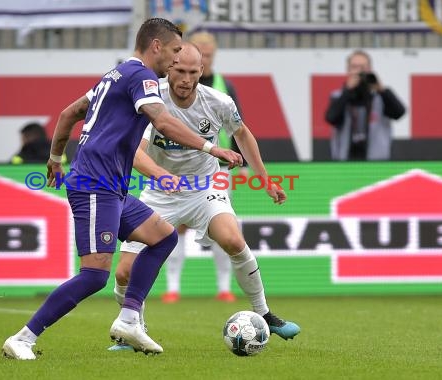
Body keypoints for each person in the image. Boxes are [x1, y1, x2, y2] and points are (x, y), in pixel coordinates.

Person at [1, 18, 243, 360]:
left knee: (164, 237)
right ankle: (23, 337)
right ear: (156, 46)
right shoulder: (141, 76)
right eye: (174, 51)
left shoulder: (113, 76)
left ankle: (130, 319)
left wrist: (56, 158)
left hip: (111, 186)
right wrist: (211, 148)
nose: (177, 60)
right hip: (95, 185)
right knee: (95, 275)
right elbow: (162, 121)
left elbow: (70, 112)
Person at [108, 42, 300, 351]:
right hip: (161, 190)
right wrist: (162, 176)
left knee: (234, 241)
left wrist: (265, 180)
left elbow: (242, 134)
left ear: (202, 71)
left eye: (192, 72)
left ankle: (264, 313)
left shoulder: (218, 101)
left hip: (205, 186)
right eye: (179, 71)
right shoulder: (151, 99)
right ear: (169, 68)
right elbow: (136, 154)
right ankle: (133, 328)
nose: (185, 79)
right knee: (124, 272)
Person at [159, 31, 245, 304]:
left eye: (207, 56)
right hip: (175, 163)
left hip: (217, 166)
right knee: (177, 227)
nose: (202, 60)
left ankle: (224, 287)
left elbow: (240, 128)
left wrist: (240, 162)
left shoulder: (223, 87)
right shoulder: (165, 88)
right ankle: (172, 287)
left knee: (223, 229)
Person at [325, 49, 406, 161]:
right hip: (345, 161)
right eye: (354, 67)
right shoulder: (339, 96)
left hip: (376, 162)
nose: (359, 72)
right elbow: (331, 118)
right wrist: (347, 91)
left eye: (363, 68)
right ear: (348, 70)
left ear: (370, 69)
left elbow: (399, 113)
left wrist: (382, 90)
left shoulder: (380, 97)